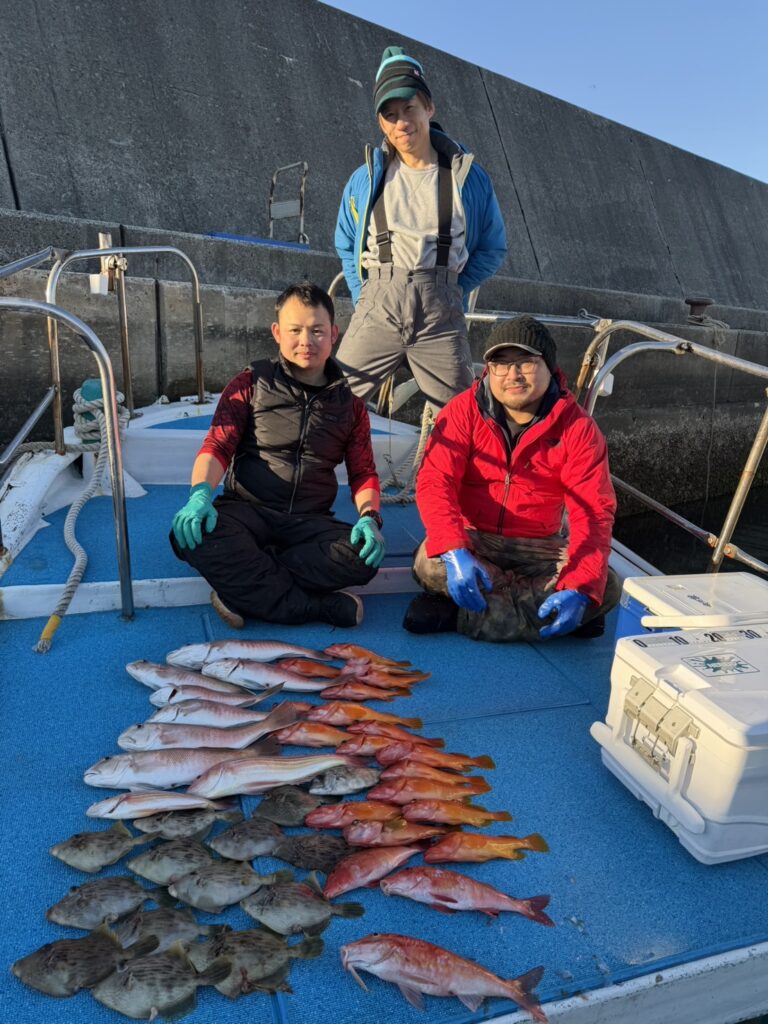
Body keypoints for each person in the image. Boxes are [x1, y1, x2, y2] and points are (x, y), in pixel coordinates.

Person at [170, 282, 386, 629]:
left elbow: (363, 472)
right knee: (195, 536)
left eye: (317, 331)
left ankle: (244, 584)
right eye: (295, 330)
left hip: (310, 522)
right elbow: (218, 446)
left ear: (334, 334)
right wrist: (200, 496)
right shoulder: (249, 383)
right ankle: (314, 607)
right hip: (247, 511)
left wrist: (370, 519)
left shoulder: (352, 408)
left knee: (362, 558)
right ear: (277, 333)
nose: (306, 341)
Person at [404, 314, 621, 641]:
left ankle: (461, 614)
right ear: (488, 369)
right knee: (429, 562)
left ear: (549, 366)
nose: (513, 374)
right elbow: (436, 482)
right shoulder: (462, 411)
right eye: (501, 364)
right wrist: (454, 549)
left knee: (606, 585)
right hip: (476, 539)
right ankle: (543, 615)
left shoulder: (579, 429)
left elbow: (593, 511)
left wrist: (578, 585)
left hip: (540, 547)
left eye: (526, 362)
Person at [334, 45, 507, 410]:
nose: (402, 123)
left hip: (440, 313)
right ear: (381, 123)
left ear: (429, 108)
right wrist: (363, 295)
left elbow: (493, 248)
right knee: (332, 406)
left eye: (409, 108)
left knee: (464, 418)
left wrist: (452, 288)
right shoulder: (363, 179)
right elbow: (346, 242)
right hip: (377, 304)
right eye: (390, 114)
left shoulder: (469, 178)